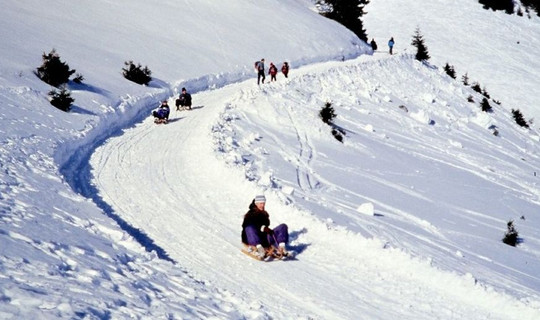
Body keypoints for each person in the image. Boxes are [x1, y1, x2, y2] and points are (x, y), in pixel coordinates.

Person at [241, 195, 289, 259]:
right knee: (249, 227)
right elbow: (247, 224)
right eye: (261, 203)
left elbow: (266, 224)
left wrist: (267, 229)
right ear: (256, 203)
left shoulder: (264, 214)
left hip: (265, 238)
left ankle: (282, 247)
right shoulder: (250, 214)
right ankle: (259, 248)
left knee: (283, 226)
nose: (262, 205)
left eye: (264, 203)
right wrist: (262, 227)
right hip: (252, 237)